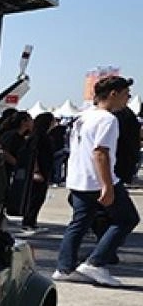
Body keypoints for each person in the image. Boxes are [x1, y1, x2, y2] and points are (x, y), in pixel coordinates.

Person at [53, 76, 140, 287]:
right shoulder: (107, 119)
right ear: (113, 94)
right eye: (126, 95)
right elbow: (101, 153)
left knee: (79, 223)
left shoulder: (83, 117)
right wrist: (107, 185)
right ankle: (96, 262)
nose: (127, 99)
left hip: (79, 178)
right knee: (127, 219)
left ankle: (64, 267)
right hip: (96, 179)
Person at [22, 113, 55, 233]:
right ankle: (29, 221)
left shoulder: (41, 135)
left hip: (44, 169)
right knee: (35, 197)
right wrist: (36, 170)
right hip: (39, 170)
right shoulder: (39, 136)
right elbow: (33, 153)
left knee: (38, 197)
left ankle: (32, 221)